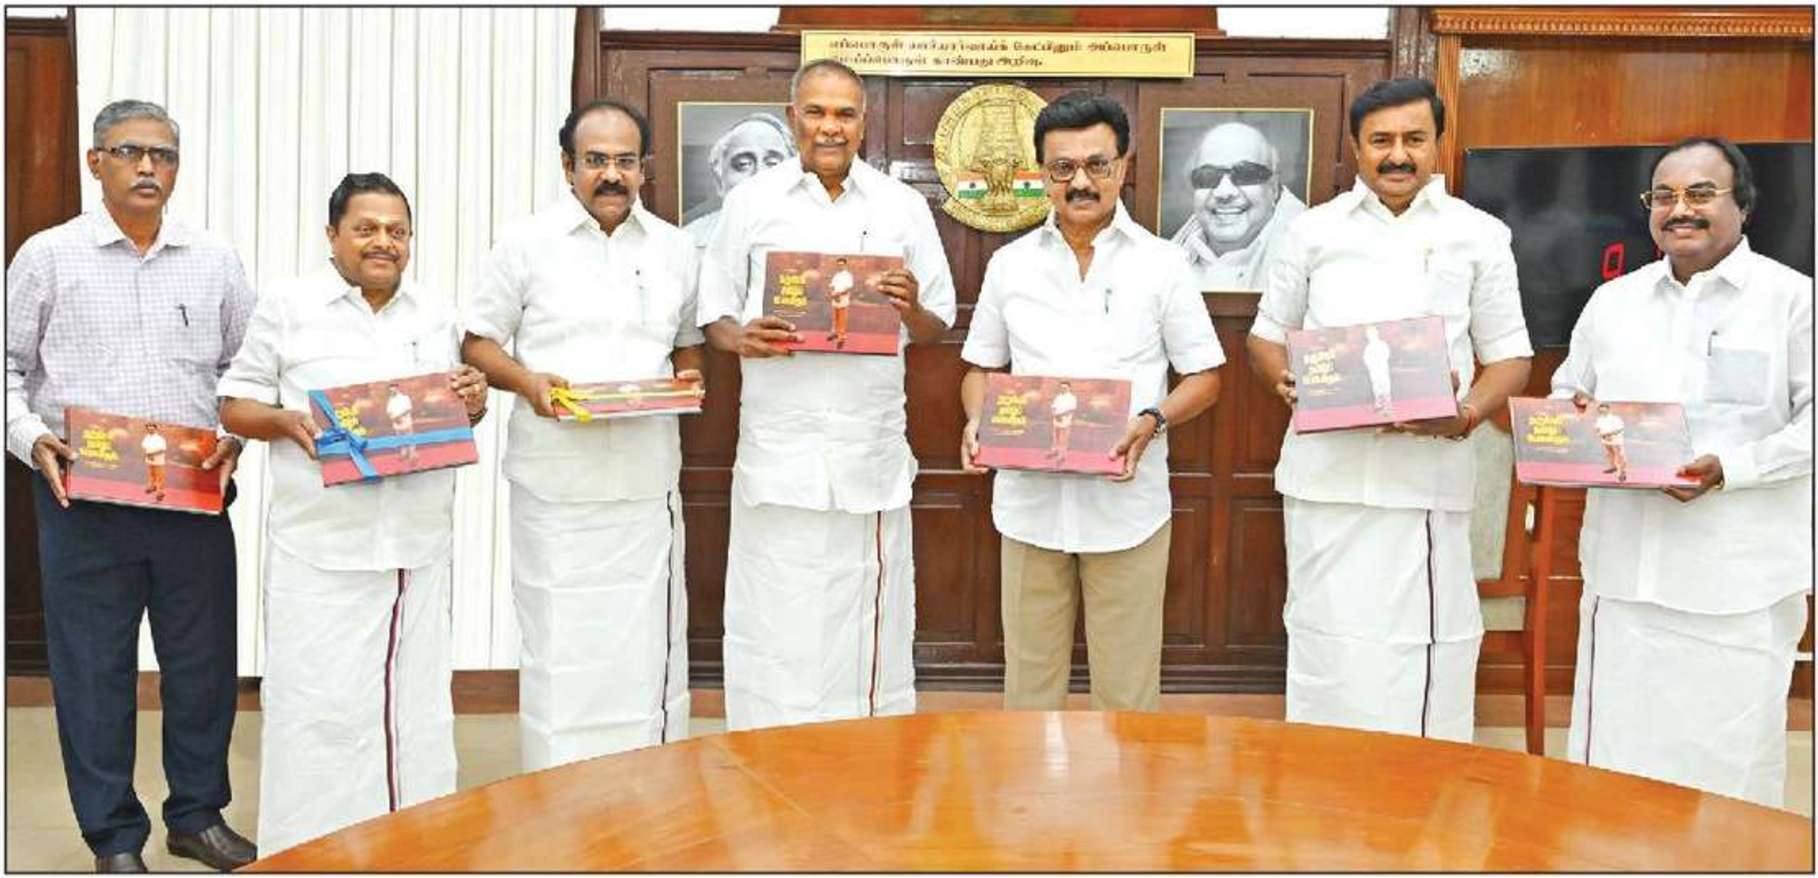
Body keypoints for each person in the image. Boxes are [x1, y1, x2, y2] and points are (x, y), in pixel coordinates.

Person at [4, 99, 256, 873]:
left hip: (192, 497)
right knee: (93, 672)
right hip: (84, 500)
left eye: (163, 154)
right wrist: (31, 439)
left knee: (203, 667)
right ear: (95, 162)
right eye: (129, 152)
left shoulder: (214, 259)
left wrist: (237, 434)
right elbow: (8, 370)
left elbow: (245, 370)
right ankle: (113, 838)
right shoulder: (48, 257)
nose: (148, 167)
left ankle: (197, 816)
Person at [1245, 77, 1533, 742]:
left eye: (1413, 139)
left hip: (1423, 484)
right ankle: (1327, 782)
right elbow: (1265, 335)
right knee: (1325, 637)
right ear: (1356, 147)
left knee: (1422, 647)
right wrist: (1285, 381)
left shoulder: (1479, 235)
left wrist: (1465, 415)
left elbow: (1511, 356)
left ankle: (1420, 787)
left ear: (1438, 145)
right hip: (1326, 479)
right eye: (1381, 140)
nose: (1397, 154)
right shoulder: (1312, 232)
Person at [217, 173, 486, 853]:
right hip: (320, 550)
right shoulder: (289, 305)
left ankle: (410, 849)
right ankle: (307, 853)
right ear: (333, 235)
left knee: (412, 714)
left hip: (413, 549)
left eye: (396, 231)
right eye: (365, 229)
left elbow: (453, 412)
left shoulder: (435, 314)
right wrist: (286, 421)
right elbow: (235, 405)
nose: (382, 242)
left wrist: (474, 399)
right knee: (316, 711)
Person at [1551, 136, 1811, 808]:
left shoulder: (1793, 300)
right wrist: (1574, 429)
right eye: (1663, 196)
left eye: (1700, 193)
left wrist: (1732, 468)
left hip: (1737, 585)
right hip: (1624, 580)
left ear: (1743, 206)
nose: (1679, 209)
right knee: (1614, 775)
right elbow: (1567, 395)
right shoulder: (1614, 302)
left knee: (1725, 775)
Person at [699, 59, 956, 730]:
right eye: (815, 112)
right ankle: (766, 754)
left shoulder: (901, 207)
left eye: (844, 113)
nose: (830, 127)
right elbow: (713, 314)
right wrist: (741, 338)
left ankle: (866, 761)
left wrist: (910, 306)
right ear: (794, 118)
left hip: (867, 458)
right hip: (779, 458)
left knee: (867, 621)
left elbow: (938, 323)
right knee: (774, 617)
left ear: (863, 122)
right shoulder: (751, 203)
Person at [959, 91, 1225, 712]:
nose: (1080, 182)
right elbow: (980, 369)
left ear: (1123, 166)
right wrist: (976, 420)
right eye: (1063, 168)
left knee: (1127, 694)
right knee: (1029, 690)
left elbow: (1205, 377)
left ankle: (1123, 782)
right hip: (1030, 507)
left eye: (1097, 165)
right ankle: (1033, 782)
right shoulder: (1009, 265)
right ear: (1041, 173)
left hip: (1126, 509)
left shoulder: (1163, 264)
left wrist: (1154, 419)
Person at [463, 99, 701, 769]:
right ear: (568, 166)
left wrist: (690, 377)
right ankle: (557, 796)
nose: (611, 175)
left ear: (646, 169)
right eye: (595, 160)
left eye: (625, 161)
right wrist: (528, 382)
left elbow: (687, 342)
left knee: (644, 647)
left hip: (644, 486)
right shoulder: (524, 243)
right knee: (562, 648)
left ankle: (649, 794)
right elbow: (478, 343)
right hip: (556, 486)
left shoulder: (676, 248)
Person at [1169, 121, 1307, 291]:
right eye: (1207, 176)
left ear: (1273, 189)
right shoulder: (1164, 261)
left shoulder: (1309, 259)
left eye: (1245, 175)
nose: (1224, 192)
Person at [684, 112, 796, 248]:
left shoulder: (813, 236)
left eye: (773, 164)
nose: (759, 174)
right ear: (719, 180)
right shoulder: (688, 241)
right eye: (743, 164)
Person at [385, 382, 419, 469]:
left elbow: (408, 409)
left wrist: (399, 416)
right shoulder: (390, 400)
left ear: (397, 388)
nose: (392, 390)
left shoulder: (405, 398)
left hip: (406, 422)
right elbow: (389, 411)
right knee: (401, 440)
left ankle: (412, 456)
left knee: (410, 439)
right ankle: (404, 454)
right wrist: (394, 418)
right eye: (390, 389)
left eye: (393, 388)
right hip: (397, 423)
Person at [1362, 324, 1393, 416]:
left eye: (1370, 334)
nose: (1369, 336)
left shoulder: (1382, 344)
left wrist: (1379, 362)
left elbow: (1386, 355)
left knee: (1385, 386)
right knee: (1376, 386)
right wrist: (1370, 366)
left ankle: (1387, 405)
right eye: (1368, 334)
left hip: (1382, 368)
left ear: (1375, 333)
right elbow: (1366, 358)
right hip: (1374, 370)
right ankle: (1378, 404)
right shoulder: (1368, 347)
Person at [1592, 403, 1627, 481]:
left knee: (1620, 455)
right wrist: (1600, 434)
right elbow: (1597, 429)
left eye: (1604, 410)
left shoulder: (1616, 418)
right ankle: (1613, 466)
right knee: (1609, 453)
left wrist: (1609, 434)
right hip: (1605, 438)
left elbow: (1620, 429)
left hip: (1616, 439)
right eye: (1601, 411)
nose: (1602, 412)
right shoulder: (1599, 419)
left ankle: (1622, 472)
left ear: (1608, 409)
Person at [1048, 381, 1078, 464]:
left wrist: (1060, 415)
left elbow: (1071, 410)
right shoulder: (1058, 397)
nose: (1063, 389)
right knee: (1056, 437)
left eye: (1065, 388)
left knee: (1063, 440)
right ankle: (1054, 451)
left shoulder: (1072, 398)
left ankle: (1062, 456)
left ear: (1069, 388)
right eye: (1061, 387)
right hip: (1056, 420)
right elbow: (1053, 407)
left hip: (1065, 421)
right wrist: (1055, 415)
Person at [828, 256, 854, 347]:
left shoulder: (848, 275)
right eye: (838, 265)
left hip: (843, 299)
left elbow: (848, 288)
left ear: (845, 265)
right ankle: (834, 333)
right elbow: (831, 286)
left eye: (842, 265)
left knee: (842, 320)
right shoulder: (836, 275)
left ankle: (841, 338)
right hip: (835, 298)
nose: (840, 266)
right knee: (835, 318)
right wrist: (832, 293)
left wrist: (838, 294)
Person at [141, 423, 168, 501]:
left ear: (155, 429)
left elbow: (162, 449)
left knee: (159, 477)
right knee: (151, 475)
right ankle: (152, 487)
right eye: (149, 429)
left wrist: (152, 454)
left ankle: (160, 493)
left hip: (158, 460)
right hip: (149, 459)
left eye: (152, 428)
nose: (150, 430)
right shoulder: (146, 437)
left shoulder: (160, 439)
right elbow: (144, 447)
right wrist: (148, 454)